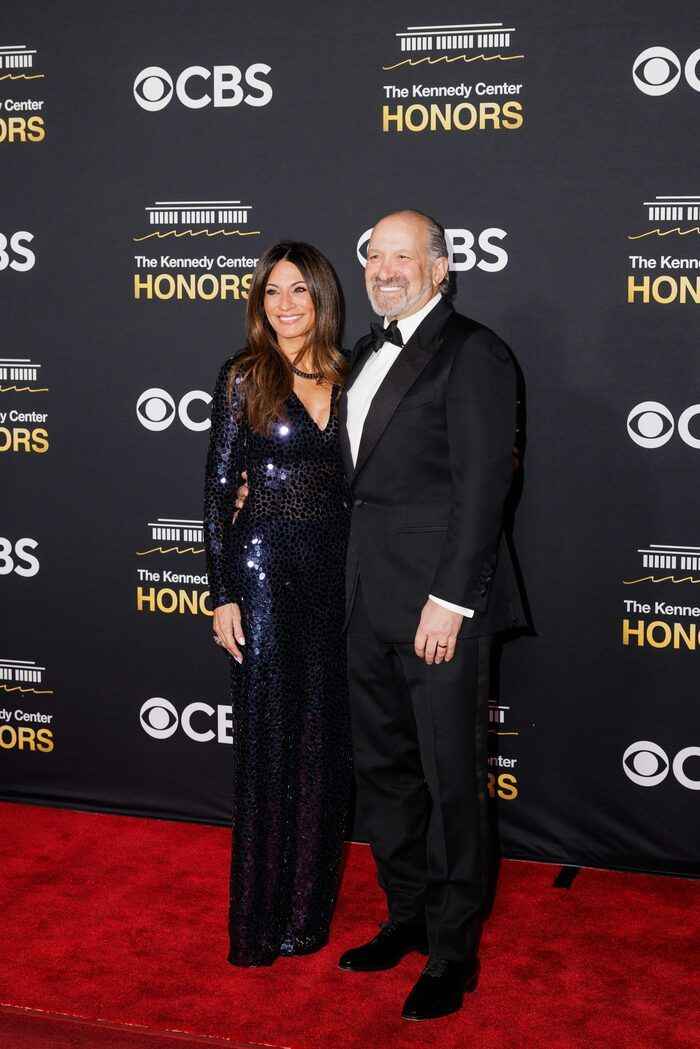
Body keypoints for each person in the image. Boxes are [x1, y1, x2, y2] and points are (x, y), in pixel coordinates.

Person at [336, 210, 527, 1021]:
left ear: (440, 267)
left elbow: (484, 490)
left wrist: (451, 601)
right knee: (384, 772)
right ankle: (407, 915)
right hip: (361, 601)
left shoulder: (474, 351)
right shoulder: (359, 352)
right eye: (374, 256)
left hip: (437, 608)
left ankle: (453, 950)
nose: (383, 269)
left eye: (402, 255)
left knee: (451, 779)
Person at [203, 241, 352, 967]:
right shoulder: (244, 376)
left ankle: (304, 914)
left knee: (324, 743)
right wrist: (222, 593)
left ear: (322, 296)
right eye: (271, 291)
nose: (285, 304)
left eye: (298, 290)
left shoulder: (354, 375)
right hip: (261, 573)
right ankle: (258, 924)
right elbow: (215, 492)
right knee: (268, 741)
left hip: (337, 578)